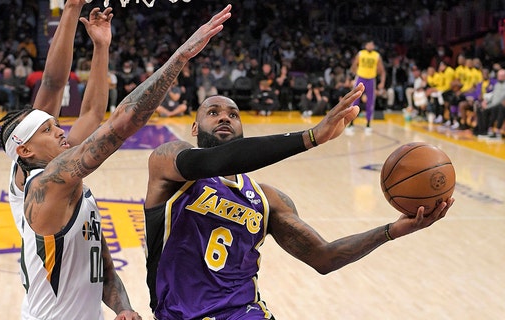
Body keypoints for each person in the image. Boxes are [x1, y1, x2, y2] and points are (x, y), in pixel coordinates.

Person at [0, 4, 232, 319]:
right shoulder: (46, 183)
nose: (61, 129)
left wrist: (101, 47)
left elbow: (93, 114)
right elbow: (108, 117)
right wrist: (180, 57)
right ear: (24, 149)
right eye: (48, 128)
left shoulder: (63, 172)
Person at [143, 82, 454, 319]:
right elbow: (213, 161)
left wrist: (391, 230)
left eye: (233, 114)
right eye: (213, 112)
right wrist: (311, 137)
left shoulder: (267, 199)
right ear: (194, 127)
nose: (225, 117)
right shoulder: (170, 165)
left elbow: (323, 256)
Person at [346, 40, 385, 135]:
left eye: (372, 44)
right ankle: (351, 123)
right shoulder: (361, 54)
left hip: (371, 79)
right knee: (355, 100)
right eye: (369, 44)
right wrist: (350, 78)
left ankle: (368, 124)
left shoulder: (377, 55)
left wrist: (382, 82)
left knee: (370, 102)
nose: (370, 45)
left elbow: (382, 70)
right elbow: (354, 66)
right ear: (366, 45)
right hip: (360, 78)